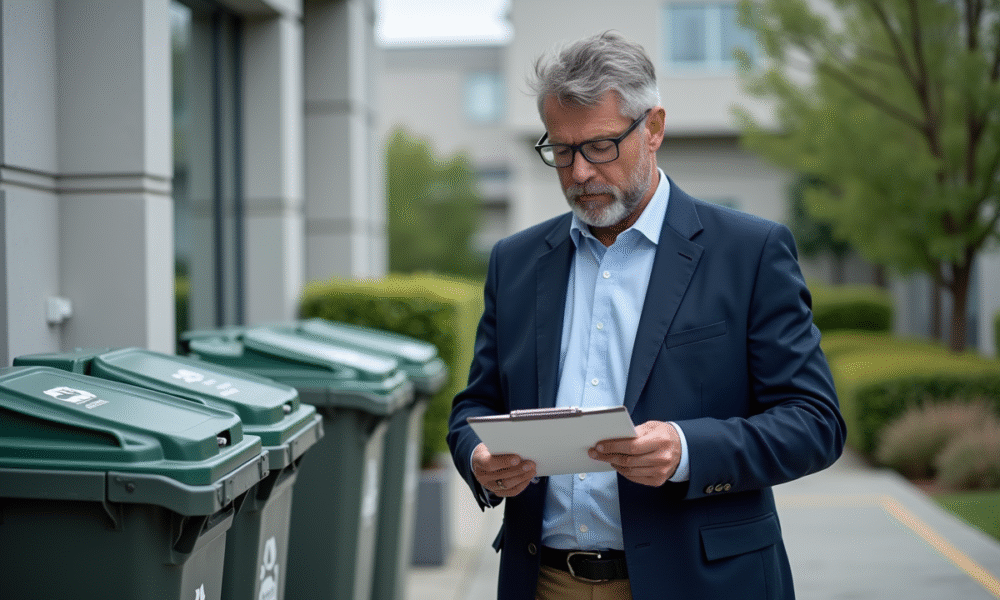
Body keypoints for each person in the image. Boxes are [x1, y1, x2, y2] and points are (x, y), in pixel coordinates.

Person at [447, 31, 845, 600]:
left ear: (653, 128)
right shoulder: (515, 263)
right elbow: (475, 406)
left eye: (600, 146)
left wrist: (688, 449)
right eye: (561, 150)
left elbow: (815, 422)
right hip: (544, 581)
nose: (579, 171)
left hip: (703, 583)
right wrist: (479, 458)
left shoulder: (749, 252)